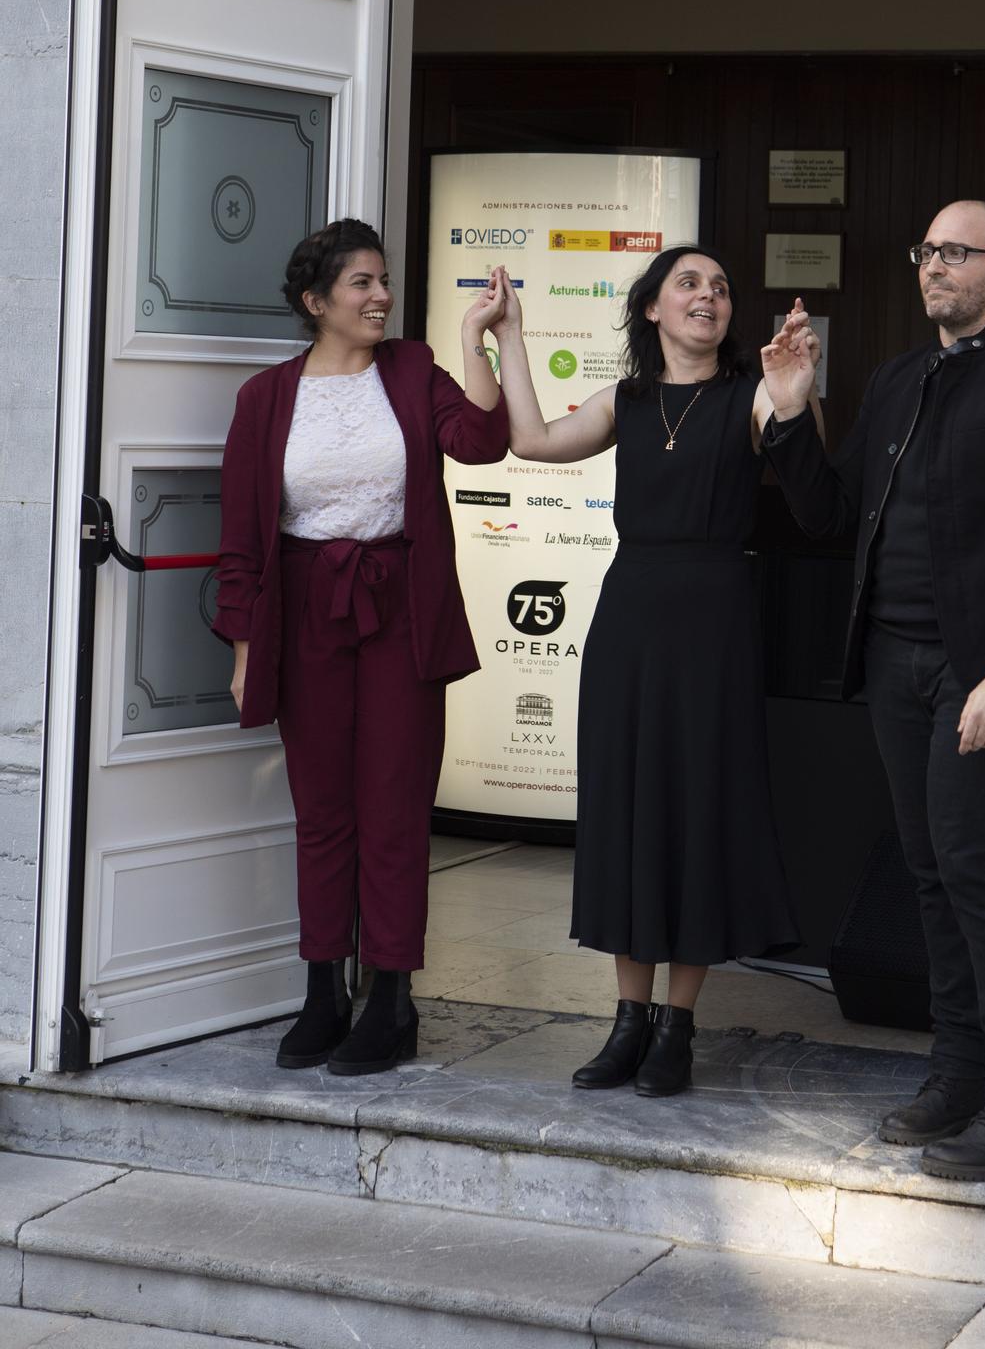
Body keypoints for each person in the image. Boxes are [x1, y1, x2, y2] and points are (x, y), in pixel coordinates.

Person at [760, 200, 985, 1181]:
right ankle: (956, 1076)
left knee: (973, 866)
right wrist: (790, 408)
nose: (933, 266)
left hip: (979, 667)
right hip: (893, 663)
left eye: (955, 251)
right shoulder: (900, 377)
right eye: (925, 251)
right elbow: (831, 515)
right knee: (928, 871)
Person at [489, 247, 799, 1097]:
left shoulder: (751, 396)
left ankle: (677, 1028)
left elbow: (803, 472)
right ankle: (626, 1021)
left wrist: (795, 393)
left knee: (695, 808)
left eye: (721, 286)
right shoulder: (626, 400)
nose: (709, 296)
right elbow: (533, 440)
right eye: (689, 284)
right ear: (653, 309)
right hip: (629, 617)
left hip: (715, 621)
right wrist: (510, 338)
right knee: (631, 807)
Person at [213, 218, 508, 1075]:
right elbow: (240, 539)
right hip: (303, 611)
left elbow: (482, 442)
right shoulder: (264, 398)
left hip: (399, 607)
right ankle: (320, 993)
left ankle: (391, 1000)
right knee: (322, 811)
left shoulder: (413, 369)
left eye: (383, 281)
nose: (380, 297)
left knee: (393, 806)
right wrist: (241, 649)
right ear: (317, 302)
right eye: (361, 285)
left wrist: (473, 339)